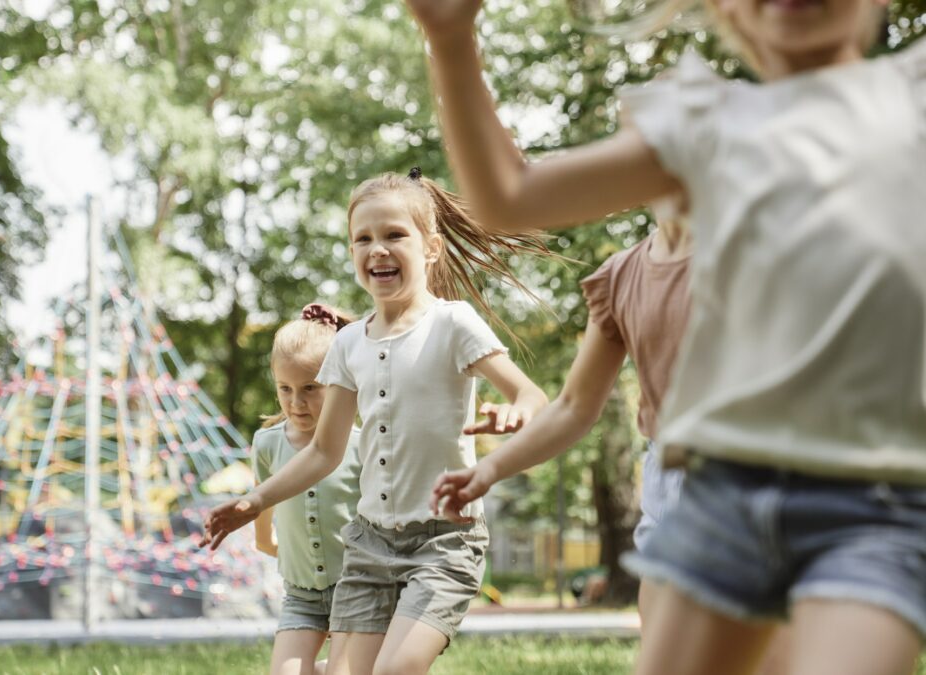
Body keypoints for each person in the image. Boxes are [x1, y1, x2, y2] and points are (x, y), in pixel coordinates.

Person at [406, 1, 926, 673]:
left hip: (873, 502)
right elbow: (511, 197)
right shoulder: (707, 123)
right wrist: (451, 38)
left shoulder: (911, 93)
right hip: (722, 491)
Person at [203, 168, 551, 675]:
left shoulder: (452, 324)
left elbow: (530, 392)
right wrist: (255, 501)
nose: (377, 249)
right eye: (362, 238)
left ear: (430, 248)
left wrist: (516, 410)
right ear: (351, 254)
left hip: (444, 542)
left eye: (394, 235)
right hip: (368, 545)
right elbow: (324, 451)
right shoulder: (347, 344)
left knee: (394, 670)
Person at [429, 197, 692, 630]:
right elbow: (573, 407)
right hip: (672, 478)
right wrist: (491, 468)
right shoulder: (623, 277)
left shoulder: (765, 247)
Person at [252, 303, 361, 675]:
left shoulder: (361, 444)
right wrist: (274, 547)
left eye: (310, 388)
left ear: (338, 382)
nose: (296, 402)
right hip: (302, 595)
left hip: (358, 590)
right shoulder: (267, 445)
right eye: (285, 388)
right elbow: (262, 528)